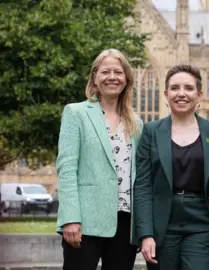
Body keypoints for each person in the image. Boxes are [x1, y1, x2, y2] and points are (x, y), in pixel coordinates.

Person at [56, 48, 143, 270]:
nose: (112, 77)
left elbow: (140, 177)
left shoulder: (136, 123)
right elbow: (66, 170)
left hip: (125, 223)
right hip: (85, 221)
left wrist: (142, 228)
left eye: (118, 72)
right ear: (94, 78)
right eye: (105, 72)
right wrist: (70, 218)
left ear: (126, 80)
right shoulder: (75, 113)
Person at [134, 64, 209, 270]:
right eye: (175, 88)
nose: (181, 93)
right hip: (162, 224)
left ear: (199, 95)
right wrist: (145, 234)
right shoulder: (151, 131)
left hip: (202, 223)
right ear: (166, 94)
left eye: (188, 88)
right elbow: (143, 185)